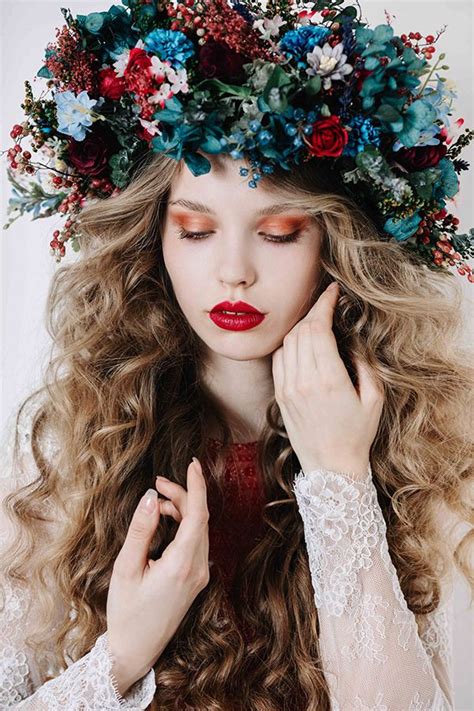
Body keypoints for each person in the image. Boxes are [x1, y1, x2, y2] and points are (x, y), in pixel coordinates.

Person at [1, 1, 473, 709]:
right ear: (152, 241)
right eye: (195, 230)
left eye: (279, 231)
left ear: (336, 247)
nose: (234, 272)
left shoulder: (431, 460)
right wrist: (122, 655)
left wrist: (339, 478)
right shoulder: (71, 455)